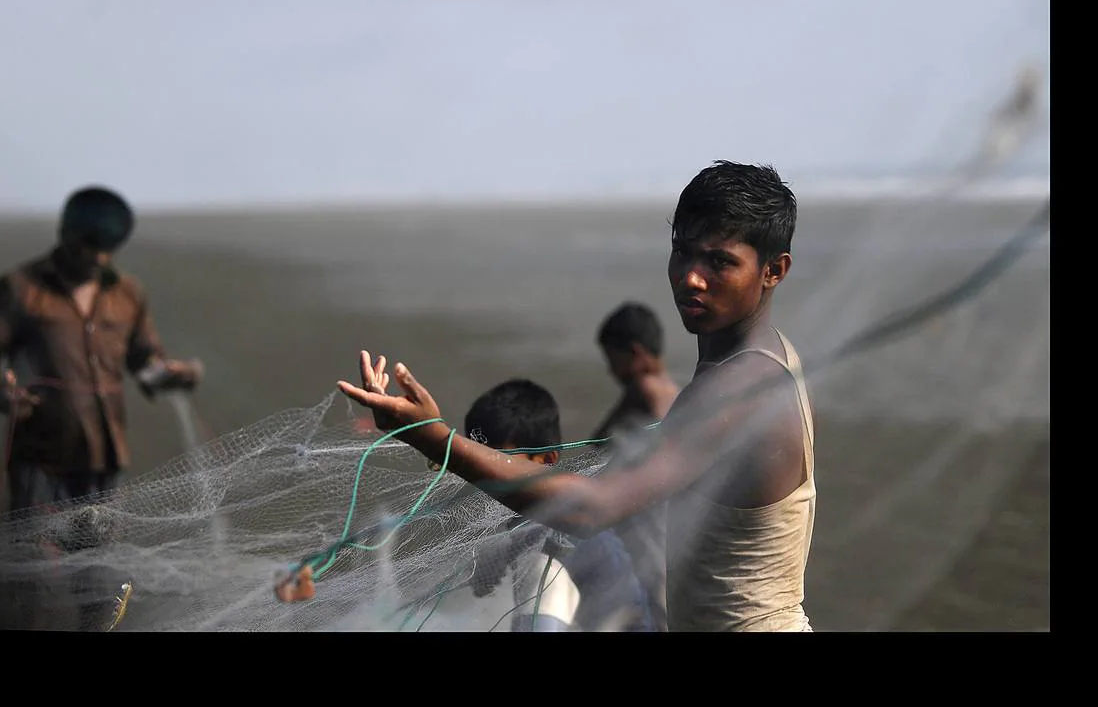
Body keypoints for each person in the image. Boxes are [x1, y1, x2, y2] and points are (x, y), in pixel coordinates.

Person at [338, 161, 817, 632]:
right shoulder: (758, 358)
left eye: (720, 261)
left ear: (774, 270)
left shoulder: (737, 387)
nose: (690, 276)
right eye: (683, 252)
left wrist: (435, 439)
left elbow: (593, 509)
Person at [0, 185, 203, 629]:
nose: (100, 259)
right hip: (40, 455)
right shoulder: (19, 289)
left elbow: (142, 360)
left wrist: (170, 373)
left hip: (103, 458)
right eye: (90, 247)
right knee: (34, 573)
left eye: (109, 249)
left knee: (99, 572)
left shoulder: (128, 294)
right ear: (66, 234)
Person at [461, 378, 658, 632]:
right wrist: (495, 562)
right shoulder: (538, 520)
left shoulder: (556, 536)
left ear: (546, 460)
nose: (486, 476)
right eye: (475, 461)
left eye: (500, 463)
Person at [589, 301, 681, 632]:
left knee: (656, 602)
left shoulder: (646, 389)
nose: (610, 371)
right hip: (672, 519)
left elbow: (596, 445)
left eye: (612, 360)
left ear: (636, 353)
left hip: (648, 519)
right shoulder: (677, 392)